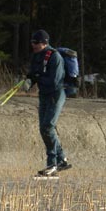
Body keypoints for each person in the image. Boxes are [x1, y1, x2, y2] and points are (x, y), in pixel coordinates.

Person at [23, 29, 71, 176]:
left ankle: (52, 164)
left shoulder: (55, 56)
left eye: (36, 42)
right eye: (32, 42)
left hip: (55, 94)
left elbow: (54, 81)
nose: (33, 45)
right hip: (43, 95)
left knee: (48, 127)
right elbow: (33, 73)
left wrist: (37, 77)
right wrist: (28, 81)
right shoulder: (36, 56)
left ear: (44, 43)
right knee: (43, 129)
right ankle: (62, 160)